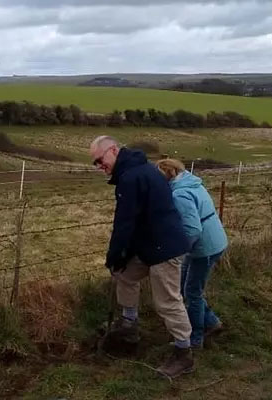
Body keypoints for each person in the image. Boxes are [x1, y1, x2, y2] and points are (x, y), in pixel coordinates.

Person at [89, 136, 194, 378]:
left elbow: (124, 224)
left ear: (113, 150)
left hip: (165, 249)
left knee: (167, 301)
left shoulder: (130, 177)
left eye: (100, 160)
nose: (99, 166)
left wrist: (114, 254)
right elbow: (137, 219)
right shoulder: (138, 170)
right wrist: (120, 259)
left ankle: (183, 353)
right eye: (95, 163)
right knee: (124, 272)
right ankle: (129, 325)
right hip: (149, 245)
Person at [156, 159, 227, 349]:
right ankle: (212, 322)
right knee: (183, 286)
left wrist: (178, 251)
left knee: (192, 292)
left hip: (204, 247)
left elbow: (193, 228)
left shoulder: (179, 194)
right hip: (214, 239)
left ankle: (196, 338)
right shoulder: (191, 182)